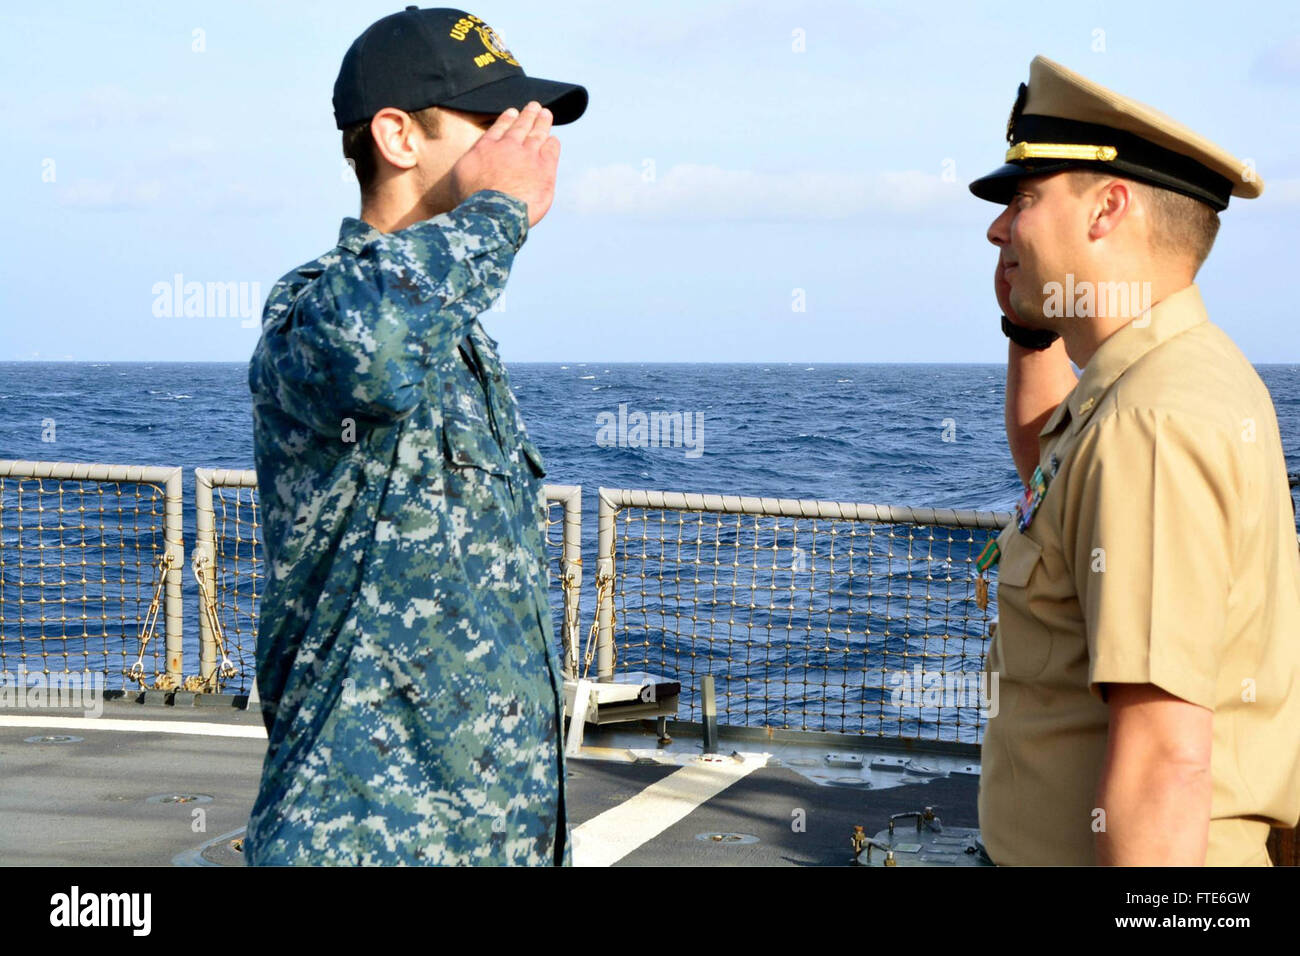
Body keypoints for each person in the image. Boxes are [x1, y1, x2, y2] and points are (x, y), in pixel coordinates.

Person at [245, 6, 587, 865]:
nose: (524, 137)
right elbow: (373, 349)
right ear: (397, 135)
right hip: (360, 839)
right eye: (491, 120)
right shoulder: (317, 309)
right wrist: (499, 211)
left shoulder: (458, 335)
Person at [971, 55, 1300, 865]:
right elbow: (1048, 478)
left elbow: (1164, 766)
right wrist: (1029, 321)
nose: (997, 228)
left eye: (1023, 199)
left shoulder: (1150, 421)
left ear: (1107, 208)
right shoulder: (1156, 383)